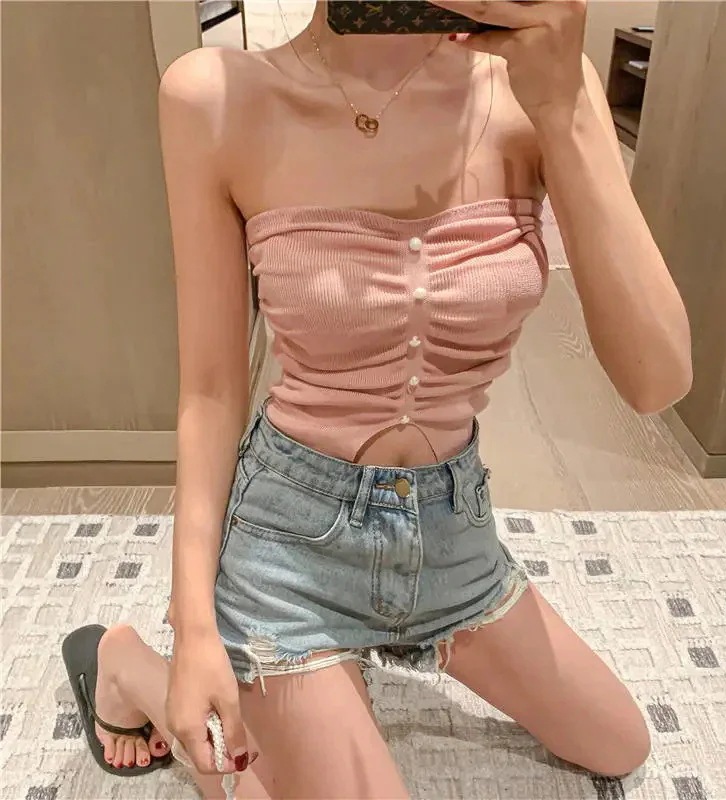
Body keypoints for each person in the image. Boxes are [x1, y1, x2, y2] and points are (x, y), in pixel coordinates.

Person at [88, 1, 694, 796]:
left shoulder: (535, 87)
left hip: (452, 536)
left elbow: (658, 381)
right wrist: (193, 621)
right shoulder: (215, 97)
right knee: (246, 762)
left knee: (619, 743)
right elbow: (209, 390)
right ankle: (130, 666)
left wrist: (563, 109)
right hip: (290, 545)